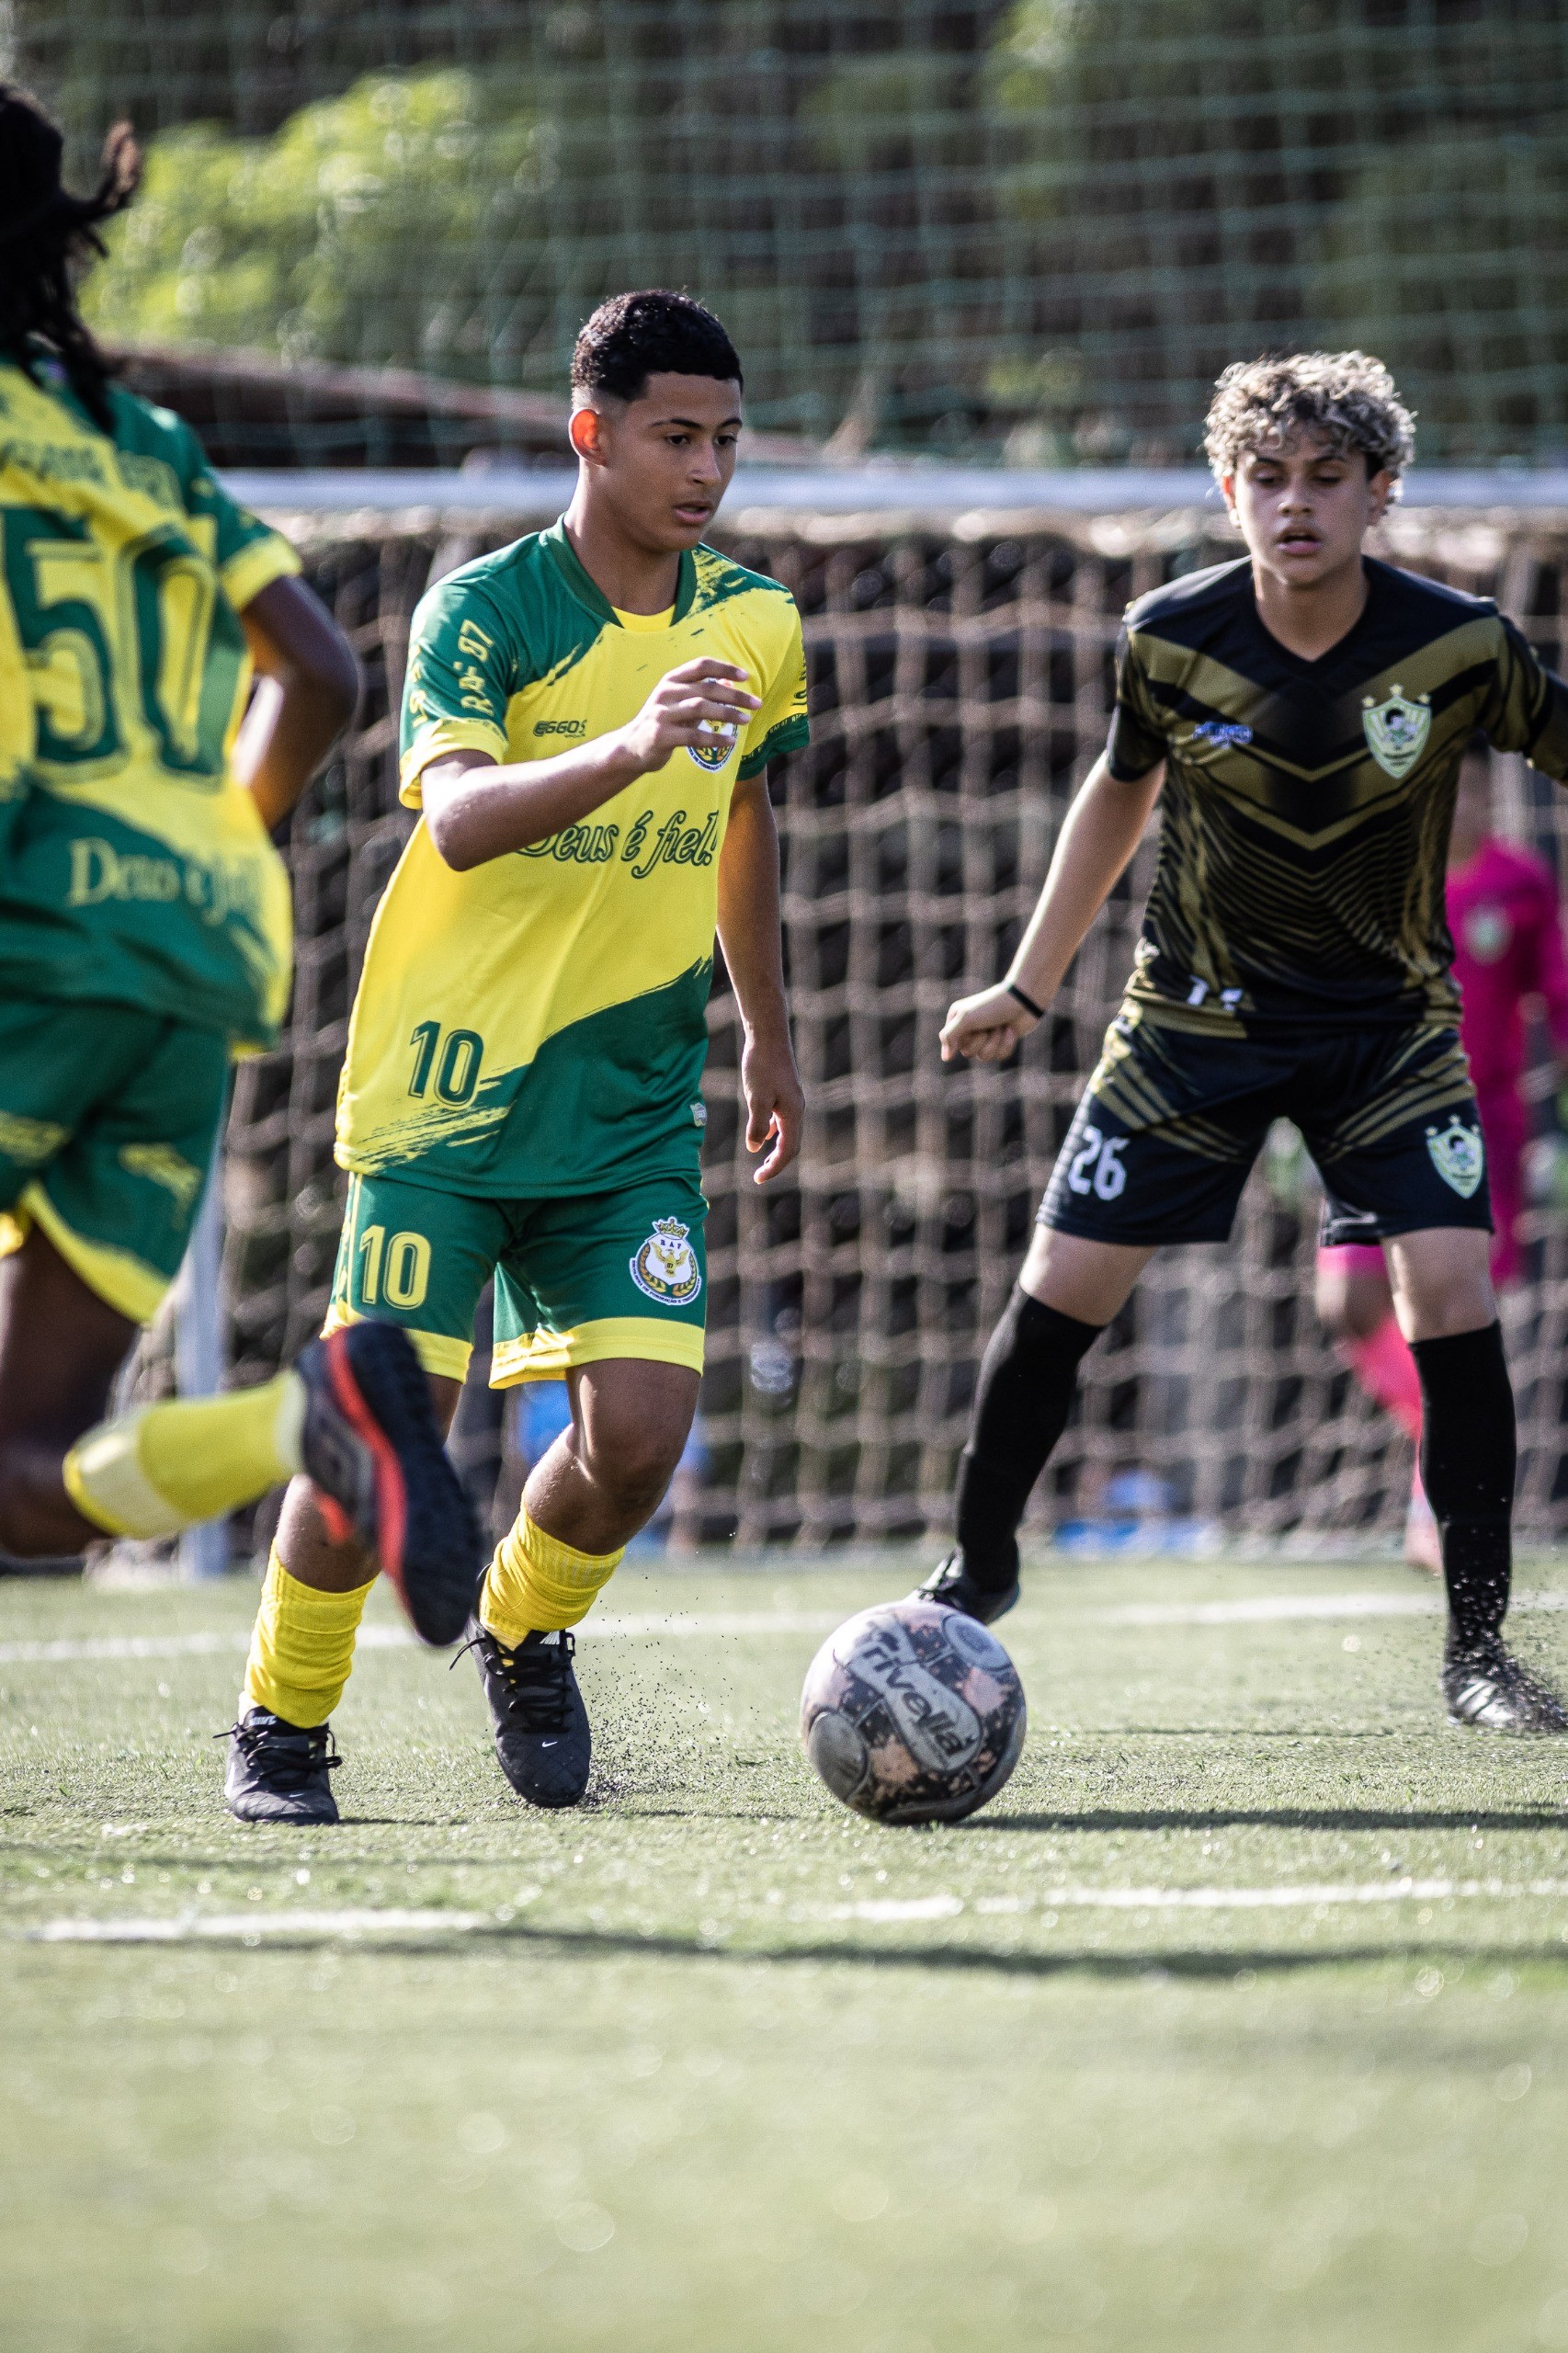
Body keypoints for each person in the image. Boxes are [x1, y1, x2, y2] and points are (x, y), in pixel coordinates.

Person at [915, 348, 1568, 1735]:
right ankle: (975, 1568)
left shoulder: (1457, 645)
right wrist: (1027, 988)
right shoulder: (1167, 631)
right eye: (1266, 479)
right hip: (1188, 1026)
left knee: (1448, 1289)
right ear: (1227, 490)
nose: (1294, 506)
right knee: (1062, 1286)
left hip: (1387, 1031)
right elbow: (1116, 793)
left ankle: (1475, 1652)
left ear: (1378, 491)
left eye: (1326, 479)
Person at [226, 288, 810, 1823]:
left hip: (628, 1107)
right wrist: (629, 746)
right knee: (377, 1456)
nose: (706, 470)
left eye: (727, 441)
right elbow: (463, 820)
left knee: (639, 1437)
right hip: (448, 1099)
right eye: (674, 438)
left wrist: (768, 1031)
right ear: (591, 436)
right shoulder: (480, 610)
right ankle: (282, 1724)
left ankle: (525, 1634)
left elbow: (744, 813)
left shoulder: (757, 621)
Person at [0, 85, 482, 1677]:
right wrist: (196, 848)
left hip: (37, 931)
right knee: (26, 1464)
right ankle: (309, 1412)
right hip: (195, 938)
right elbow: (325, 673)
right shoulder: (136, 437)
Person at [1317, 745, 1568, 1570]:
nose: (1467, 803)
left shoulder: (1519, 884)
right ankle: (1439, 1438)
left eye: (1481, 787)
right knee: (1349, 1300)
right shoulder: (1380, 880)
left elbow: (1558, 1001)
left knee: (1452, 1319)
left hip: (1481, 1129)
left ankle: (1437, 1506)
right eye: (1449, 788)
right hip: (1374, 1116)